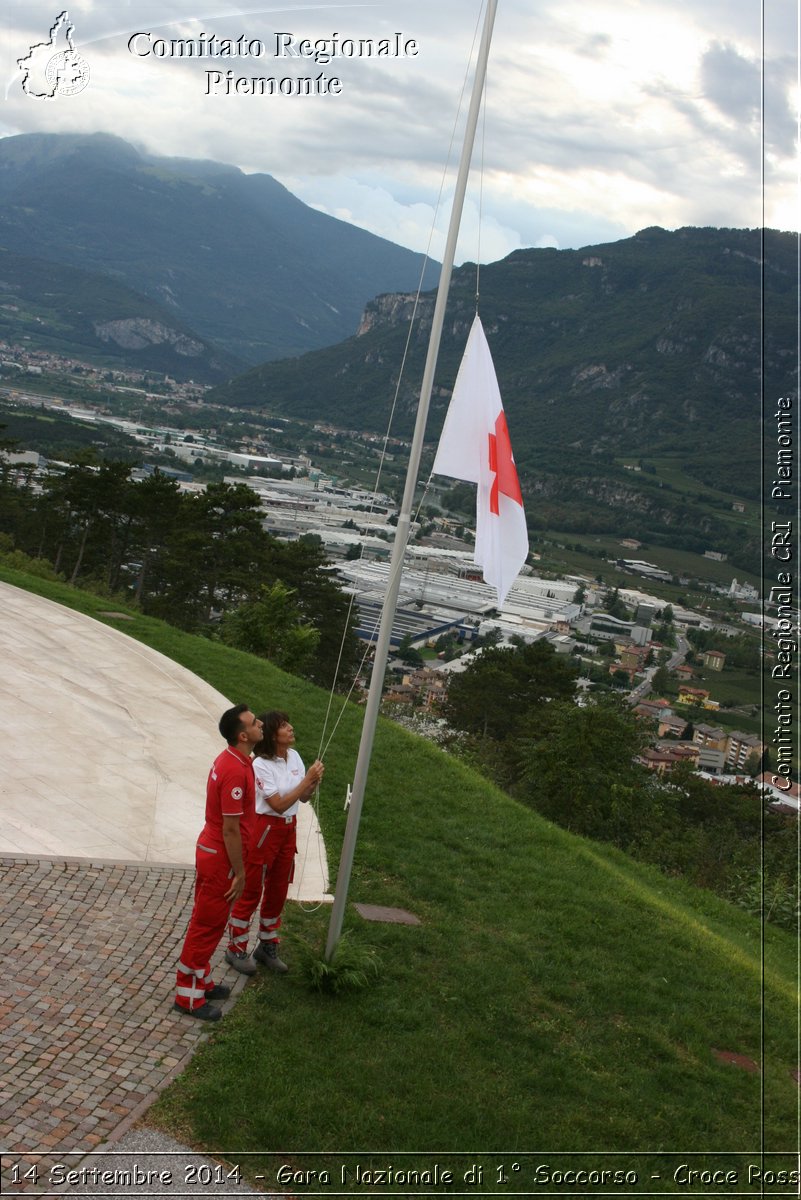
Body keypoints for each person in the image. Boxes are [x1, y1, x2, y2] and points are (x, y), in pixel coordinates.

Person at [174, 704, 263, 1021]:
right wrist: (239, 872)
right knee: (207, 925)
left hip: (214, 853)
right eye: (255, 723)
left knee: (208, 922)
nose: (260, 724)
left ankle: (202, 980)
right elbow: (230, 828)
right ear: (243, 735)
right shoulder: (235, 770)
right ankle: (188, 996)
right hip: (220, 859)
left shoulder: (236, 761)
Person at [226, 711, 323, 974]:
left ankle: (267, 944)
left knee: (279, 888)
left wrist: (312, 784)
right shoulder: (260, 765)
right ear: (271, 735)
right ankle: (236, 946)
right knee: (252, 889)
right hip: (265, 829)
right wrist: (305, 780)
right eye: (283, 726)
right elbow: (278, 805)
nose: (290, 728)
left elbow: (301, 799)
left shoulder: (295, 757)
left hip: (288, 831)